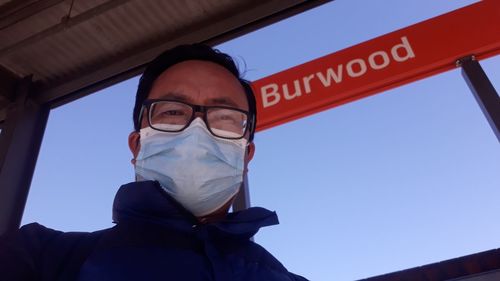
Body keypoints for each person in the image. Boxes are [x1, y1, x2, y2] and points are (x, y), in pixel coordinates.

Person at [0, 44, 308, 281]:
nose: (196, 130)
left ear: (245, 156)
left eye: (224, 117)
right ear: (137, 145)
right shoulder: (42, 256)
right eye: (172, 112)